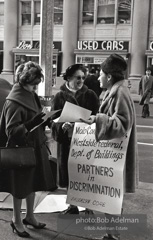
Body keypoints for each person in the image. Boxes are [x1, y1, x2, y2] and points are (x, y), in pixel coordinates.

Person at [0, 61, 55, 238]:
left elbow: (35, 116)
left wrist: (45, 120)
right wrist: (33, 123)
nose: (35, 88)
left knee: (32, 184)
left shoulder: (28, 95)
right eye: (33, 85)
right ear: (23, 81)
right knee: (19, 188)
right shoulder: (14, 101)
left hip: (32, 148)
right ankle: (16, 220)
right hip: (21, 150)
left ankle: (30, 216)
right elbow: (12, 131)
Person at [80, 54, 138, 240]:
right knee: (112, 196)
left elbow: (122, 123)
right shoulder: (116, 90)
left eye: (101, 74)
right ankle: (112, 234)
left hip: (115, 155)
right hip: (112, 155)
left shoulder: (120, 92)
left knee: (112, 196)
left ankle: (112, 235)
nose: (98, 77)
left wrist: (97, 119)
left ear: (110, 77)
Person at [51, 63, 100, 214]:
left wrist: (85, 123)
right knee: (68, 171)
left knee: (85, 173)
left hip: (85, 141)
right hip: (66, 142)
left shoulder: (90, 94)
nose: (81, 81)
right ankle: (72, 205)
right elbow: (53, 119)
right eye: (78, 77)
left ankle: (88, 206)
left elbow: (97, 116)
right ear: (69, 77)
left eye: (83, 78)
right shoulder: (59, 96)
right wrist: (61, 126)